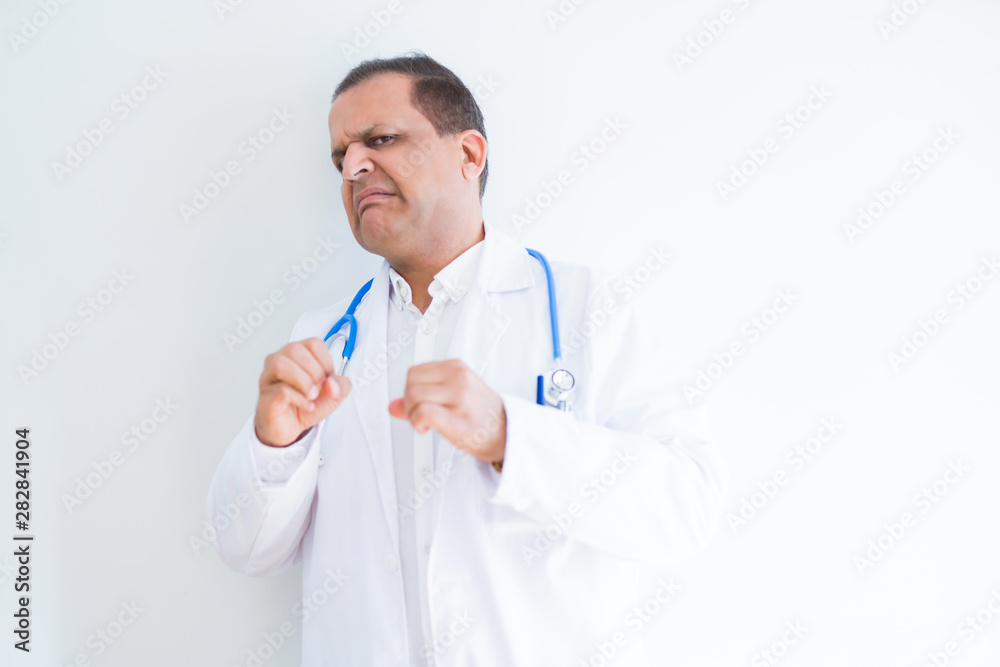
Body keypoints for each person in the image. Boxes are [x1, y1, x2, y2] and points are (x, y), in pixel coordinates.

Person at [206, 51, 728, 667]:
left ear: (469, 155)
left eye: (381, 139)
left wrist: (512, 436)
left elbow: (686, 510)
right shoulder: (322, 343)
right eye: (340, 156)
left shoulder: (585, 307)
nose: (352, 168)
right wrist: (274, 447)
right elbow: (248, 551)